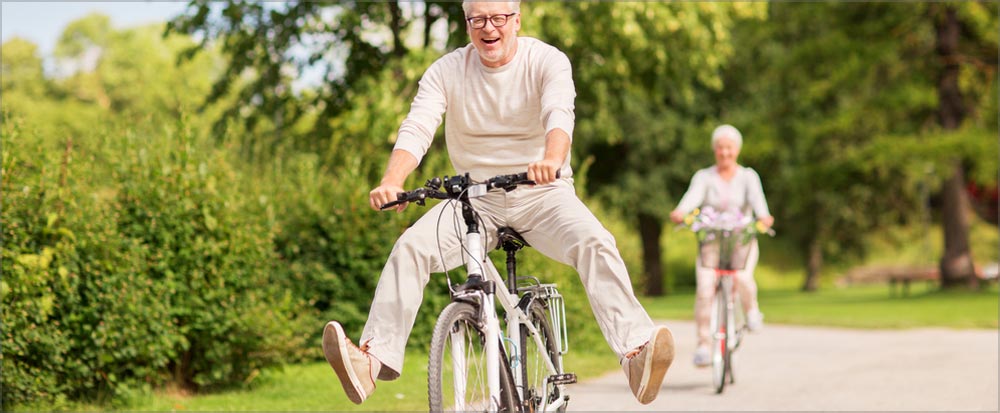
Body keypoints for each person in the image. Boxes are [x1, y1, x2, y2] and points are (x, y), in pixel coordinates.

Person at [321, 0, 675, 406]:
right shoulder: (446, 70)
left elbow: (560, 114)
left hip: (542, 193)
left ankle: (635, 354)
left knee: (595, 241)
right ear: (467, 23)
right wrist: (392, 181)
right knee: (411, 249)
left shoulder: (546, 60)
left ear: (516, 20)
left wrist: (551, 160)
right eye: (478, 19)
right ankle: (371, 361)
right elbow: (417, 126)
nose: (488, 28)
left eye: (498, 18)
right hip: (475, 200)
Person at [669, 124, 774, 368]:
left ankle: (751, 311)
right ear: (714, 150)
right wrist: (681, 211)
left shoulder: (748, 176)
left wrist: (764, 217)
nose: (724, 153)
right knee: (705, 288)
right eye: (720, 148)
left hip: (741, 241)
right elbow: (691, 198)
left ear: (736, 150)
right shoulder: (704, 177)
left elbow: (760, 204)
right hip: (712, 242)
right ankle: (704, 345)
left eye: (729, 148)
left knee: (743, 278)